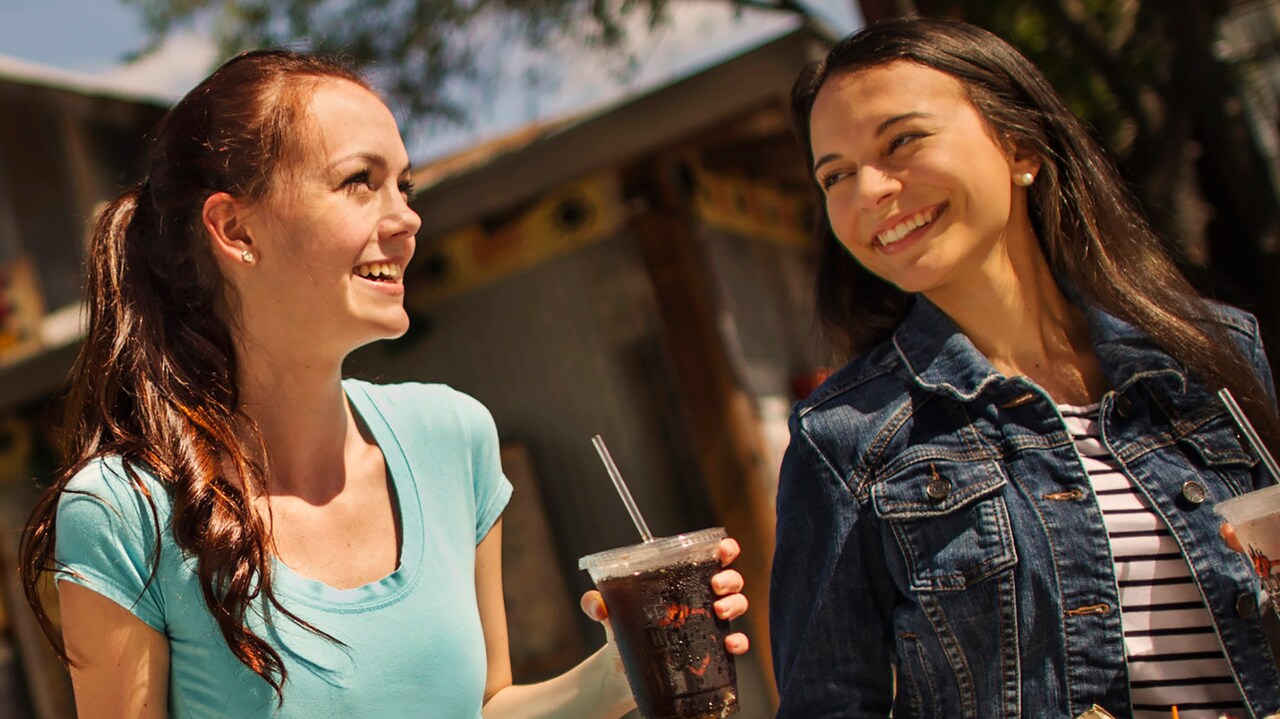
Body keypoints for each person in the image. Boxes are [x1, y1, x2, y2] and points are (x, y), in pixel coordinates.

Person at [17, 49, 750, 718]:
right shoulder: (122, 510)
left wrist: (621, 670)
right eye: (358, 182)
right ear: (236, 231)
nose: (406, 219)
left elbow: (484, 705)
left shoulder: (452, 436)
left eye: (405, 184)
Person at [770, 16, 1280, 719]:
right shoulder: (844, 438)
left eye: (903, 141)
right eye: (836, 175)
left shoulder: (1212, 354)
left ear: (1020, 146)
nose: (870, 191)